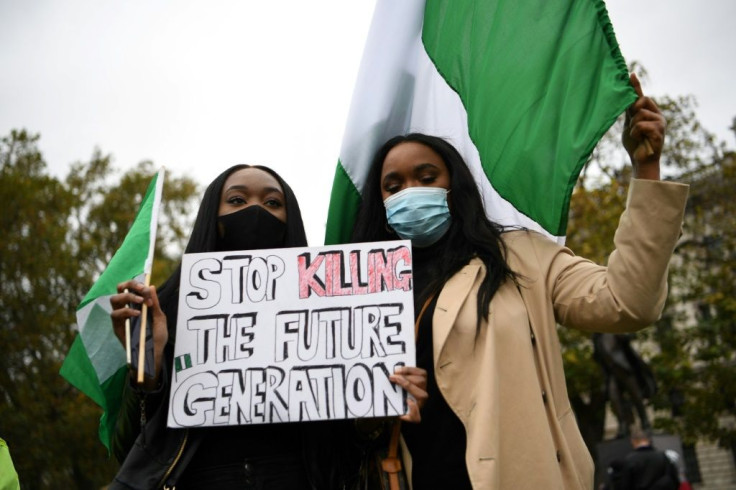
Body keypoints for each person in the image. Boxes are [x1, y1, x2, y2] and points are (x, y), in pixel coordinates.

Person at [348, 74, 689, 489]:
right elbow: (356, 425)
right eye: (394, 185)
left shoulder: (524, 257)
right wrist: (377, 406)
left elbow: (627, 302)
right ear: (379, 202)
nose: (411, 192)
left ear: (455, 186)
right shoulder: (363, 292)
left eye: (426, 177)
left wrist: (646, 169)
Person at [108, 164, 427, 489]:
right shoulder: (160, 311)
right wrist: (148, 370)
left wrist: (379, 403)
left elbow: (349, 446)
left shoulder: (331, 307)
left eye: (273, 203)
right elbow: (128, 451)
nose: (256, 211)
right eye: (237, 200)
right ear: (210, 215)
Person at [615, 428, 680, 490]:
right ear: (648, 440)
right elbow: (674, 480)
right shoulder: (663, 457)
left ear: (633, 441)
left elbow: (625, 485)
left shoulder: (630, 460)